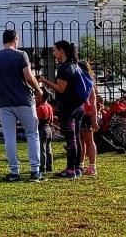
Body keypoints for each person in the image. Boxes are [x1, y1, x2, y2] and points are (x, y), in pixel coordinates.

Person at [0, 29, 45, 182]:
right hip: (24, 100)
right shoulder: (21, 55)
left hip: (5, 102)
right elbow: (28, 76)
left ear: (3, 41)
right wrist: (38, 90)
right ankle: (35, 171)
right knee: (32, 134)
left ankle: (14, 172)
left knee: (9, 137)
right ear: (15, 39)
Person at [38, 41, 85, 179]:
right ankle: (77, 168)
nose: (53, 53)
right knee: (76, 137)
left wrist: (45, 81)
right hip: (78, 107)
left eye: (54, 50)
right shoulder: (75, 66)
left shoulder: (65, 68)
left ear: (62, 51)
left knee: (71, 140)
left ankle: (70, 170)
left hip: (69, 108)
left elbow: (61, 89)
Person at [78, 62, 100, 176]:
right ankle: (81, 164)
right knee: (81, 141)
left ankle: (92, 166)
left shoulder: (89, 83)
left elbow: (93, 103)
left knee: (89, 141)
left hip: (86, 115)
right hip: (79, 113)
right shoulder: (80, 82)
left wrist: (94, 119)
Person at [36, 92, 54, 174]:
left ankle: (42, 167)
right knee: (48, 149)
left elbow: (36, 121)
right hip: (48, 129)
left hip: (42, 129)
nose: (35, 98)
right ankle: (50, 166)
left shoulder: (40, 108)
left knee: (42, 150)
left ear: (41, 97)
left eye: (37, 96)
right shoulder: (49, 107)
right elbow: (51, 120)